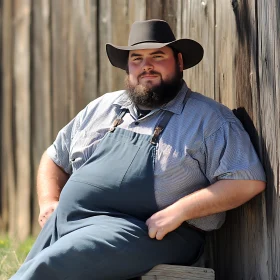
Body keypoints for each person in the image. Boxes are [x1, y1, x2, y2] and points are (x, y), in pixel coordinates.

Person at [11, 19, 266, 280]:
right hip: (66, 223)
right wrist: (49, 201)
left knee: (50, 265)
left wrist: (178, 212)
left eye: (157, 56)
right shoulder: (102, 108)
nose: (147, 66)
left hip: (147, 233)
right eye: (137, 58)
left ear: (179, 62)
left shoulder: (208, 119)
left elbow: (246, 180)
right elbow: (54, 157)